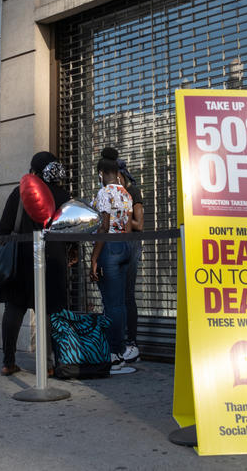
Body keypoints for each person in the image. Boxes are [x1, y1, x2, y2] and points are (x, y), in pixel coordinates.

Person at [0, 152, 69, 376]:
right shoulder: (63, 195)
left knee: (14, 309)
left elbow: (4, 228)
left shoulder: (19, 193)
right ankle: (47, 365)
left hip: (20, 257)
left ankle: (8, 362)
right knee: (49, 313)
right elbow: (71, 229)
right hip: (52, 259)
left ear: (34, 171)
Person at [90, 155, 134, 373]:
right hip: (125, 246)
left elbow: (104, 226)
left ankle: (114, 354)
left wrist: (94, 258)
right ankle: (122, 350)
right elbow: (126, 225)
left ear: (101, 173)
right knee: (121, 304)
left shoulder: (104, 192)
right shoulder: (125, 193)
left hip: (109, 248)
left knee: (110, 303)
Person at [102, 146, 144, 364]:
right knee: (113, 298)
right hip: (114, 247)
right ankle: (115, 343)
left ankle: (132, 344)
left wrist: (120, 217)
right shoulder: (111, 194)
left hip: (129, 246)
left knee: (127, 296)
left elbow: (139, 223)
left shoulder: (132, 192)